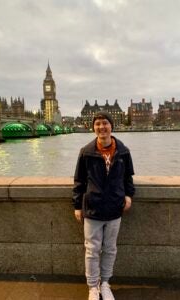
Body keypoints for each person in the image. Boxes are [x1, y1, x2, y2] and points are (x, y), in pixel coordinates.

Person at [72, 111, 135, 300]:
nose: (101, 127)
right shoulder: (86, 152)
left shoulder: (123, 151)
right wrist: (77, 205)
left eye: (105, 123)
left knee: (110, 248)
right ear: (94, 128)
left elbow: (128, 178)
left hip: (115, 208)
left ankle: (105, 283)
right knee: (92, 249)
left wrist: (129, 195)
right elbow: (79, 181)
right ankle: (93, 286)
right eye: (97, 123)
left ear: (111, 126)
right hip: (93, 208)